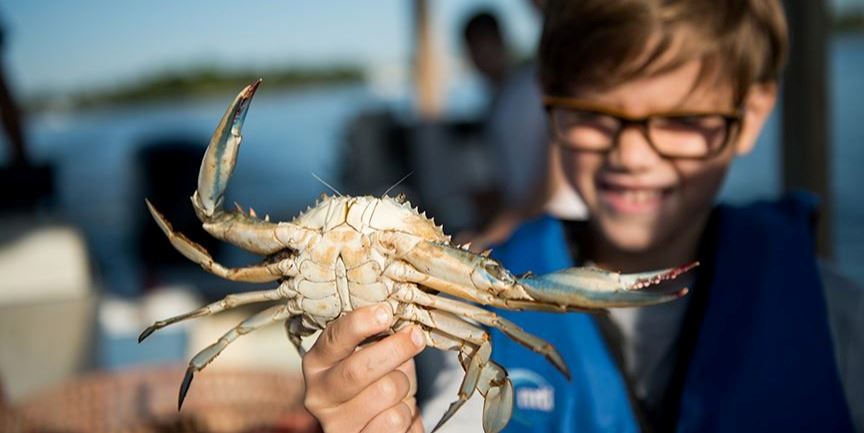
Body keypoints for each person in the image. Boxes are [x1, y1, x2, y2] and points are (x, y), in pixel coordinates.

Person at [301, 0, 860, 432]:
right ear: (549, 100)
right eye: (594, 114)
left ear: (753, 113)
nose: (632, 157)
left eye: (683, 120)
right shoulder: (473, 318)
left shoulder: (840, 321)